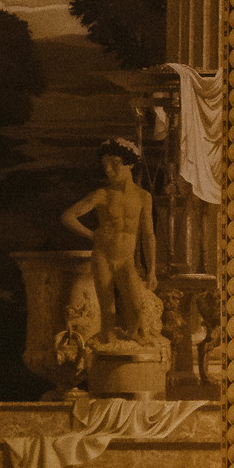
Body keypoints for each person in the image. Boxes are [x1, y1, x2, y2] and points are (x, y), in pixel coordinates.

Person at [62, 139, 162, 341]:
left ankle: (128, 349)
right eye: (105, 164)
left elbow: (148, 235)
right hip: (103, 258)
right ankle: (108, 349)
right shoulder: (102, 194)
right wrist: (92, 235)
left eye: (114, 163)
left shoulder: (143, 197)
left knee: (137, 311)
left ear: (129, 164)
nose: (108, 169)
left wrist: (152, 270)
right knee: (108, 312)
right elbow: (67, 216)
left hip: (126, 261)